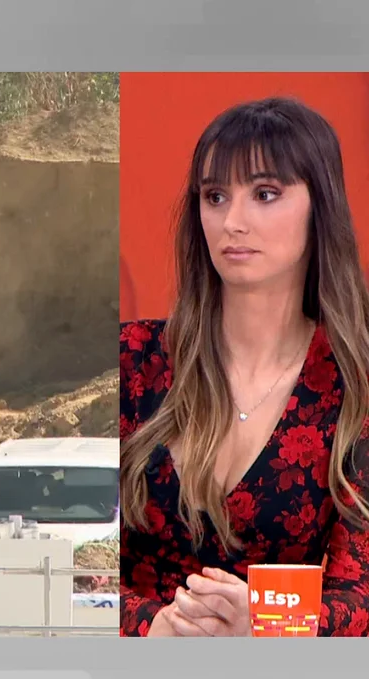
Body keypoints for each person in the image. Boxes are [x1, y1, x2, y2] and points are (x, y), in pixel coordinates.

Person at [119, 97, 369, 637]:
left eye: (265, 194)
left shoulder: (356, 389)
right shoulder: (131, 361)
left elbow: (360, 594)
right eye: (215, 196)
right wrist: (151, 628)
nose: (232, 222)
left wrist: (267, 625)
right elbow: (74, 564)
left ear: (319, 205)